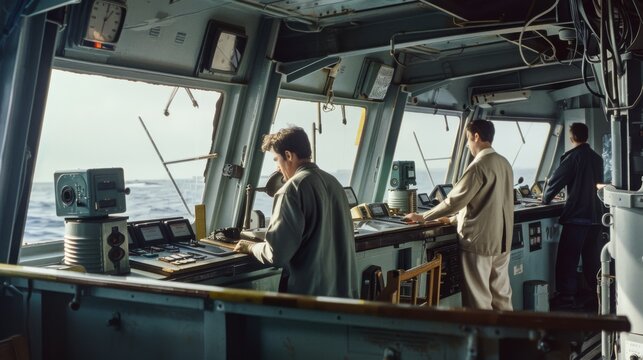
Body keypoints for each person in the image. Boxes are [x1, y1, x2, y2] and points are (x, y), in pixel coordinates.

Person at [234, 126, 359, 298]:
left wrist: (251, 247)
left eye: (276, 160)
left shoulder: (291, 189)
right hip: (344, 297)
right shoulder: (334, 183)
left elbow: (276, 254)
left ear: (288, 156)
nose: (277, 168)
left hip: (310, 301)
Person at [404, 120, 514, 310]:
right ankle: (507, 338)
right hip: (502, 242)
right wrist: (454, 219)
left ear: (476, 136)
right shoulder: (504, 163)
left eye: (468, 139)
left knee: (478, 301)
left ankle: (483, 340)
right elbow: (489, 203)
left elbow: (454, 202)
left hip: (479, 243)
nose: (467, 144)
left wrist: (423, 217)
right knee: (501, 297)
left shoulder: (479, 166)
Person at [542, 122, 604, 309]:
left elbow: (555, 181)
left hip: (577, 216)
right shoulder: (597, 158)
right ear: (586, 136)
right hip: (596, 216)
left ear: (571, 138)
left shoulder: (572, 157)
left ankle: (566, 299)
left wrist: (546, 198)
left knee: (567, 259)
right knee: (592, 258)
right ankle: (598, 294)